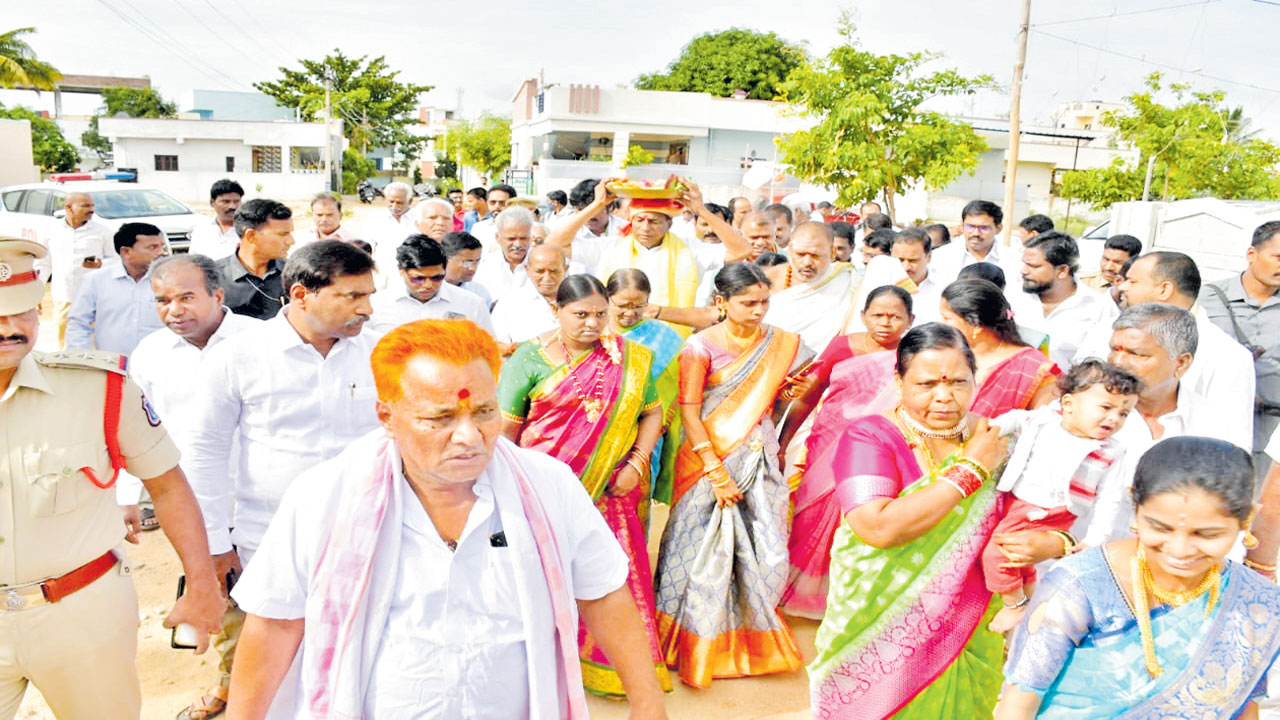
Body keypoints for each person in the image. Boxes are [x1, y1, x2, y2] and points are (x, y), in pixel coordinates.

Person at [226, 319, 669, 719]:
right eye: (440, 418)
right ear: (387, 416)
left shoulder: (547, 485)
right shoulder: (324, 497)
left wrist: (648, 704)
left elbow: (603, 593)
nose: (469, 437)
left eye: (484, 412)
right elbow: (275, 622)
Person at [0, 237, 225, 719]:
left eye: (21, 312)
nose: (9, 328)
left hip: (82, 614)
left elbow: (167, 486)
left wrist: (201, 583)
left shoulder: (100, 389)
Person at [185, 242, 380, 716]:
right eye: (353, 296)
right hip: (268, 540)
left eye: (369, 295)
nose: (367, 309)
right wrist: (215, 545)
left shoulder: (381, 353)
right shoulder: (239, 356)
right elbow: (205, 452)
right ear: (301, 294)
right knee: (279, 667)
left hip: (368, 535)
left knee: (362, 660)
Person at [997, 437, 1280, 719]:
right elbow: (1018, 706)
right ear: (1134, 504)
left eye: (1207, 535)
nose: (1180, 550)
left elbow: (1244, 706)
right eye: (1160, 528)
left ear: (1248, 517)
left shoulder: (1256, 602)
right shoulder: (1080, 585)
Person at [808, 323, 1011, 718]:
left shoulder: (991, 438)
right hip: (877, 616)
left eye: (958, 382)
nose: (944, 397)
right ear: (900, 382)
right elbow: (877, 527)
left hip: (966, 616)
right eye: (927, 384)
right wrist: (970, 470)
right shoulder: (869, 436)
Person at [498, 276, 672, 698]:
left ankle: (613, 670)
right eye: (580, 314)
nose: (592, 323)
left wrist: (637, 462)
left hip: (612, 492)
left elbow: (652, 413)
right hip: (542, 492)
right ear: (556, 310)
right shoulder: (528, 358)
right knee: (541, 577)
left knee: (611, 580)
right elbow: (505, 434)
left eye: (600, 314)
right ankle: (544, 669)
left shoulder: (631, 358)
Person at [654, 262, 808, 688]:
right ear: (721, 302)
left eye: (764, 302)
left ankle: (753, 635)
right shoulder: (700, 346)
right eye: (748, 303)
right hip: (708, 457)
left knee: (766, 543)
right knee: (698, 548)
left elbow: (771, 401)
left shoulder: (780, 342)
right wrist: (714, 468)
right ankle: (692, 639)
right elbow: (689, 411)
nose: (758, 311)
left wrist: (785, 392)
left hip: (758, 454)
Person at [129, 253, 262, 720]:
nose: (174, 310)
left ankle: (261, 687)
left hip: (258, 497)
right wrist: (129, 498)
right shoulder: (150, 354)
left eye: (186, 297)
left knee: (268, 596)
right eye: (162, 300)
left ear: (217, 295)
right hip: (190, 500)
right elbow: (135, 431)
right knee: (213, 592)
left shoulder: (259, 341)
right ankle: (232, 685)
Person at [779, 286, 915, 618]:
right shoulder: (842, 347)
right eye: (878, 315)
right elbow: (808, 396)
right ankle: (801, 591)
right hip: (827, 444)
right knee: (810, 514)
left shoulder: (913, 355)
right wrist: (782, 443)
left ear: (911, 320)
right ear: (864, 316)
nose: (885, 323)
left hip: (877, 453)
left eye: (895, 317)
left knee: (860, 515)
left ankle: (845, 596)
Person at [982, 360, 1141, 633]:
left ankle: (1014, 605)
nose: (1114, 419)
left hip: (1051, 511)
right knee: (1020, 560)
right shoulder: (1043, 422)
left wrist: (1095, 540)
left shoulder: (1110, 452)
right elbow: (1017, 418)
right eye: (1106, 408)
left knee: (997, 553)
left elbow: (1110, 500)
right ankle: (1030, 599)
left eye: (1123, 413)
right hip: (1017, 501)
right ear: (1068, 404)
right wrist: (991, 427)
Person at [1074, 251, 1256, 449]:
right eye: (1115, 350)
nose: (1122, 287)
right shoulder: (1105, 330)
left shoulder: (1229, 356)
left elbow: (1233, 447)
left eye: (1133, 281)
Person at [550, 179, 749, 310]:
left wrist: (702, 211)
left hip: (673, 340)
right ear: (631, 221)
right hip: (618, 340)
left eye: (653, 221)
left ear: (669, 223)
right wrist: (597, 205)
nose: (645, 227)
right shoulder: (609, 247)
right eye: (639, 220)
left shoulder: (690, 250)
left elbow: (742, 250)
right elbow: (555, 243)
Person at [1200, 220, 1280, 472]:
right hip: (1213, 428)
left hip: (1271, 437)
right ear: (1251, 254)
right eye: (1278, 257)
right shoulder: (1208, 297)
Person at [605, 269, 685, 506]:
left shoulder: (665, 337)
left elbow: (675, 386)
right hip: (599, 431)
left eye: (639, 306)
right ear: (607, 299)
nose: (630, 313)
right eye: (622, 305)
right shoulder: (594, 333)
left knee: (635, 503)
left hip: (647, 434)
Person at [940, 279, 1061, 414]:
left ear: (976, 326)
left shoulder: (1032, 368)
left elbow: (1047, 421)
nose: (940, 323)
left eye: (946, 318)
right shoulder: (947, 356)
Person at [1019, 230, 1118, 370]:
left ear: (1062, 271)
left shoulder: (1099, 307)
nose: (1024, 271)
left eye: (1033, 266)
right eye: (1024, 264)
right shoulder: (1013, 297)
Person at [65, 222, 168, 355]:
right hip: (112, 363)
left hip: (159, 362)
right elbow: (78, 324)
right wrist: (81, 358)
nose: (161, 253)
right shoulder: (95, 281)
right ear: (126, 252)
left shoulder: (170, 281)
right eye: (152, 247)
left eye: (161, 246)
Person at [762, 222, 863, 354]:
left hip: (827, 363)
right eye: (800, 254)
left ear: (832, 253)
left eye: (815, 256)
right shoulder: (767, 280)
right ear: (790, 250)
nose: (807, 263)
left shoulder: (849, 281)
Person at [370, 234, 493, 337]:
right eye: (418, 279)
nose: (428, 285)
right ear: (401, 270)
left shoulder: (471, 304)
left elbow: (488, 350)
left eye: (436, 278)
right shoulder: (377, 305)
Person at [38, 191, 115, 346]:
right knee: (64, 341)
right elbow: (43, 263)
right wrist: (37, 292)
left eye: (92, 205)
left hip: (95, 297)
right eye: (85, 206)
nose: (91, 210)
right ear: (69, 208)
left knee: (96, 341)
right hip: (64, 295)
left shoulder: (103, 231)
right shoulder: (51, 231)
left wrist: (100, 264)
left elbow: (116, 260)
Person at [215, 199, 293, 320]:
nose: (291, 241)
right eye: (282, 234)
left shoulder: (294, 274)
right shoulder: (214, 278)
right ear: (251, 236)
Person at [491, 244, 568, 353]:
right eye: (540, 271)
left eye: (554, 271)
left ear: (565, 269)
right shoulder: (508, 304)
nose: (547, 278)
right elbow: (496, 347)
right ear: (527, 270)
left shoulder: (580, 300)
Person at [931, 200, 1017, 285]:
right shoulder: (939, 258)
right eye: (970, 227)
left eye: (984, 228)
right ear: (962, 226)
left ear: (998, 228)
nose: (976, 233)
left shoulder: (1014, 261)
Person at [474, 206, 534, 301]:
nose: (518, 244)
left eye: (523, 238)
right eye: (511, 239)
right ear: (498, 237)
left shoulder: (543, 263)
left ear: (531, 237)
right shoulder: (485, 265)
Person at [891, 227, 942, 323]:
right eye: (900, 260)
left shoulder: (944, 286)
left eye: (912, 261)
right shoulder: (881, 283)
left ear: (928, 257)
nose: (906, 267)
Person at [188, 179, 244, 260]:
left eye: (236, 201)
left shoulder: (249, 231)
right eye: (226, 202)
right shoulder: (201, 230)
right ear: (212, 203)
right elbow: (193, 260)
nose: (232, 206)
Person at [1079, 234, 1142, 299]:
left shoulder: (1140, 288)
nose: (1108, 267)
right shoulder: (1082, 283)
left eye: (1117, 262)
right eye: (1106, 259)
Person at [361, 181, 416, 254]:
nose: (394, 206)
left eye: (399, 203)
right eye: (391, 202)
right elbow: (367, 247)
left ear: (410, 201)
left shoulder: (420, 219)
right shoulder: (375, 219)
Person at [440, 230, 492, 307]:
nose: (472, 268)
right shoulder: (429, 291)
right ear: (445, 260)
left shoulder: (480, 293)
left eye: (477, 262)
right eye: (467, 263)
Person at [468, 183, 517, 252]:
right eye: (492, 202)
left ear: (513, 204)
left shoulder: (524, 228)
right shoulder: (478, 228)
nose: (497, 206)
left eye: (502, 203)